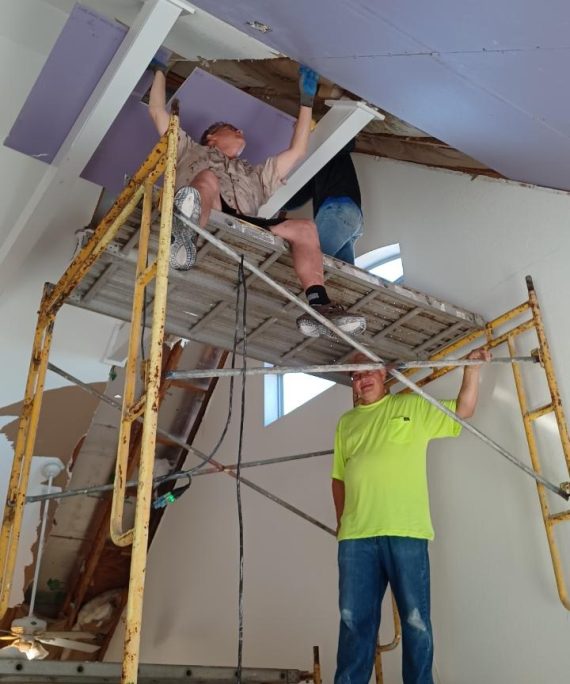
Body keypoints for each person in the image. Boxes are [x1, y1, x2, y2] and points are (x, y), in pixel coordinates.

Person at [147, 63, 365, 339]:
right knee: (207, 179)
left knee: (305, 228)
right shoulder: (188, 149)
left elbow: (297, 151)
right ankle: (185, 240)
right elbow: (156, 111)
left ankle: (319, 305)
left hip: (244, 224)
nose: (241, 130)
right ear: (212, 137)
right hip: (209, 211)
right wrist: (160, 71)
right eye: (231, 128)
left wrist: (306, 101)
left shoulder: (255, 175)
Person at [332, 348, 491, 684]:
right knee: (353, 622)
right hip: (356, 539)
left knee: (416, 621)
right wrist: (342, 522)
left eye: (368, 372)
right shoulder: (346, 423)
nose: (362, 380)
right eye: (355, 376)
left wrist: (471, 371)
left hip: (406, 531)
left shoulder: (411, 406)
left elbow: (464, 411)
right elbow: (339, 478)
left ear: (384, 374)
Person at [286, 138, 363, 264]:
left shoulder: (331, 147)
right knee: (339, 278)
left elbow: (348, 140)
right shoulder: (317, 166)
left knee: (309, 264)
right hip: (351, 217)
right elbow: (296, 200)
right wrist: (274, 200)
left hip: (338, 211)